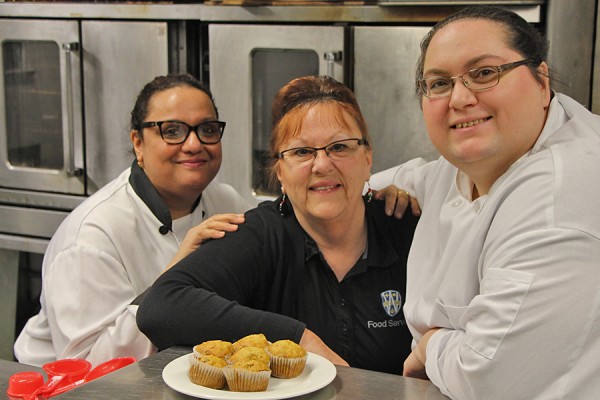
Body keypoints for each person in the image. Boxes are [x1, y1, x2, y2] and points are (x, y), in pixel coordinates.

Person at [370, 6, 600, 399]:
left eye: (484, 73)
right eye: (439, 83)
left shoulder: (562, 195)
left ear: (541, 82)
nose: (459, 98)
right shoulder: (459, 168)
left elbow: (490, 375)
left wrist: (431, 345)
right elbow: (387, 180)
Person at [137, 75, 418, 375]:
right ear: (280, 171)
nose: (322, 165)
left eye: (339, 147)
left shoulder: (405, 228)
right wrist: (297, 337)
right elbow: (160, 307)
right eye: (302, 152)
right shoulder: (261, 235)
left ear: (367, 156)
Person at [14, 74, 251, 367]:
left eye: (207, 129)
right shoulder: (91, 237)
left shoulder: (226, 202)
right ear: (138, 143)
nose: (194, 144)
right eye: (173, 130)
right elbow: (90, 365)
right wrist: (174, 276)